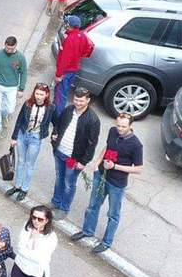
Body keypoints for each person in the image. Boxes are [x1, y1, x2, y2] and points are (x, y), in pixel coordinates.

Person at [81, 112, 144, 252]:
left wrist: (115, 167)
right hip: (101, 175)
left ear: (131, 126)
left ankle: (106, 242)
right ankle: (87, 231)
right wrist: (97, 163)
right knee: (93, 206)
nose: (120, 129)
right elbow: (107, 147)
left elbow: (139, 169)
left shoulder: (136, 145)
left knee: (113, 214)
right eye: (118, 125)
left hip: (117, 183)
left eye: (123, 127)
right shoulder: (112, 131)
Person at [48, 87, 100, 217]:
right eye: (76, 100)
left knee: (69, 183)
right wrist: (54, 135)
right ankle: (55, 201)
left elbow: (92, 143)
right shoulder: (68, 110)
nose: (78, 103)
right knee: (59, 178)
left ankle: (64, 208)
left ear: (88, 100)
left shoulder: (93, 119)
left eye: (81, 101)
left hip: (74, 158)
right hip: (60, 152)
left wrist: (84, 161)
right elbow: (58, 125)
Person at [8, 83, 52, 201]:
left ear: (46, 95)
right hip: (23, 135)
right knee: (21, 161)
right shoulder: (28, 104)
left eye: (41, 94)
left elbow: (56, 121)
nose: (38, 96)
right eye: (37, 93)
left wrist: (55, 133)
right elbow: (20, 119)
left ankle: (24, 188)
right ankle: (17, 186)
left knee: (29, 164)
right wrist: (14, 137)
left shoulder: (50, 107)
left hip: (35, 138)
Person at [0, 35, 27, 133]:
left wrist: (21, 89)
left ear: (16, 46)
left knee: (10, 109)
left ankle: (4, 116)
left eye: (11, 48)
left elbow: (24, 73)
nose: (9, 50)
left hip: (12, 87)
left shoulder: (20, 57)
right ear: (5, 45)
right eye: (7, 48)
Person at [52, 15, 92, 110]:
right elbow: (88, 50)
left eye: (67, 23)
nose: (65, 24)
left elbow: (64, 60)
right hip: (73, 71)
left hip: (65, 72)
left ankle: (56, 119)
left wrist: (58, 75)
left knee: (59, 96)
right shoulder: (82, 36)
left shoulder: (69, 39)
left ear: (69, 25)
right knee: (64, 93)